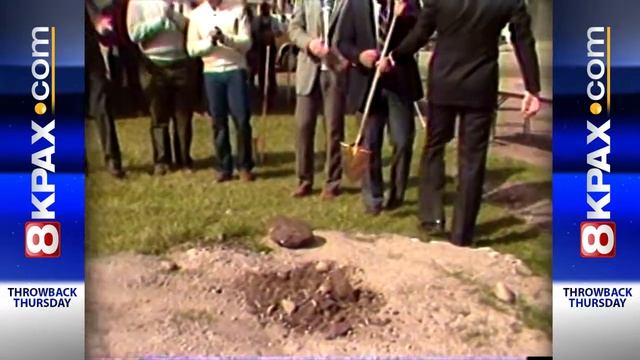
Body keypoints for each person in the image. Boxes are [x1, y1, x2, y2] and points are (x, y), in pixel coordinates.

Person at [380, 0, 541, 246]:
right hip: (480, 86)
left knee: (434, 147)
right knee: (472, 159)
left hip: (444, 82)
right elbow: (523, 40)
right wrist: (532, 87)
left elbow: (421, 33)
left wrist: (395, 55)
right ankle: (462, 233)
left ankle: (432, 217)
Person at [337, 0, 423, 215]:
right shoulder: (355, 5)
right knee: (369, 144)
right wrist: (360, 57)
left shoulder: (408, 4)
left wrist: (403, 19)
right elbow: (343, 42)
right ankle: (373, 198)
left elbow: (420, 34)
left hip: (399, 82)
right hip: (367, 83)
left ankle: (397, 194)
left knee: (402, 141)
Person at [187, 0, 256, 182]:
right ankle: (223, 166)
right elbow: (192, 48)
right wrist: (210, 42)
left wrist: (226, 39)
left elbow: (247, 42)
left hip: (235, 69)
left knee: (241, 119)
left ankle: (244, 165)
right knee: (218, 121)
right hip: (211, 72)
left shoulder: (238, 9)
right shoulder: (197, 15)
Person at [127, 0, 197, 175]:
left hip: (181, 63)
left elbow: (192, 27)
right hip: (153, 65)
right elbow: (134, 34)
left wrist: (174, 16)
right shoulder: (137, 4)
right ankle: (162, 160)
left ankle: (184, 159)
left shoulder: (182, 2)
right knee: (159, 115)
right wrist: (159, 22)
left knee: (183, 115)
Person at [288, 0, 349, 199]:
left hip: (335, 71)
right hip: (309, 70)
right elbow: (294, 28)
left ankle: (332, 182)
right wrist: (309, 43)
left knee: (333, 129)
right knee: (303, 125)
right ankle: (304, 180)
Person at [86, 4, 125, 179]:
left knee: (102, 108)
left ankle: (113, 161)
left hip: (89, 55)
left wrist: (103, 26)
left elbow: (97, 18)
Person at [252, 1, 283, 107]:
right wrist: (262, 36)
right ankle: (261, 91)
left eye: (267, 8)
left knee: (270, 70)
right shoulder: (256, 20)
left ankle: (272, 91)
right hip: (259, 48)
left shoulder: (274, 20)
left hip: (271, 48)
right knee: (261, 70)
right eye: (263, 8)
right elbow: (254, 32)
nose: (265, 10)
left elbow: (279, 32)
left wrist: (273, 34)